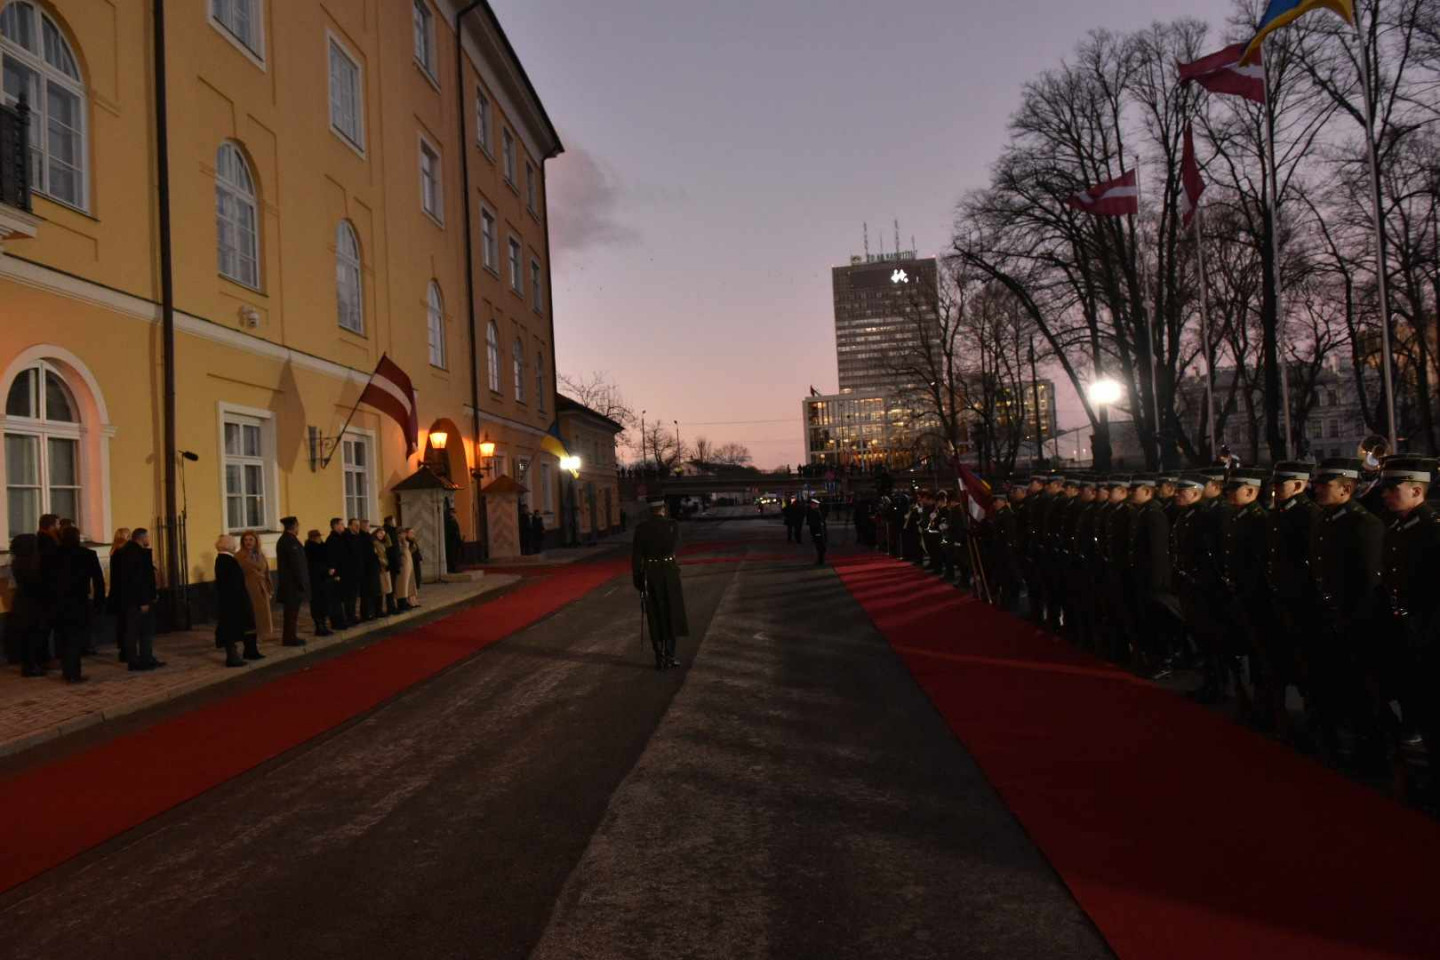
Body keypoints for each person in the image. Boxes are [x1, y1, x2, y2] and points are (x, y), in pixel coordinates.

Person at [1308, 457, 1385, 768]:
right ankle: (1345, 740)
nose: (1316, 489)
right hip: (1327, 618)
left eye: (1324, 484)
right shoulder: (1325, 519)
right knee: (1336, 685)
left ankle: (1373, 751)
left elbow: (1368, 583)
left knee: (1362, 690)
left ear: (1346, 489)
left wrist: (1351, 620)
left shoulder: (1363, 524)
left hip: (1353, 621)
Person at [1377, 456, 1440, 793]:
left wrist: (1426, 632)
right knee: (1417, 705)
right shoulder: (1397, 527)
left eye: (1393, 488)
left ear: (1417, 490)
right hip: (1404, 634)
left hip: (1430, 637)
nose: (1385, 494)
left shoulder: (1433, 530)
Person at [1263, 462, 1318, 737]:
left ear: (1298, 485)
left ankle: (1315, 719)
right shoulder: (1280, 512)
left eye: (1279, 484)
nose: (1274, 488)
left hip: (1301, 600)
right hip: (1281, 597)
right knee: (1282, 659)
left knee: (1307, 664)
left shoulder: (1308, 515)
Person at [633, 499, 688, 670]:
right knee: (672, 613)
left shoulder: (641, 529)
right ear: (663, 509)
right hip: (669, 572)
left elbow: (636, 557)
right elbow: (677, 545)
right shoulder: (672, 525)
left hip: (651, 574)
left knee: (655, 615)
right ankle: (670, 655)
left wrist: (639, 581)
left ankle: (659, 656)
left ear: (650, 511)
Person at [48, 526, 105, 683]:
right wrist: (99, 602)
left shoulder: (53, 555)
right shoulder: (87, 554)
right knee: (75, 637)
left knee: (63, 637)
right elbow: (98, 581)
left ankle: (67, 671)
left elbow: (46, 580)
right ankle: (73, 673)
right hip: (79, 600)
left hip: (59, 601)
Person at [113, 528, 163, 671]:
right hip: (138, 600)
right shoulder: (136, 554)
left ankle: (139, 659)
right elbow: (139, 579)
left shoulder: (125, 552)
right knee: (142, 631)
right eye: (147, 537)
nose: (149, 539)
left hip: (130, 599)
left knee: (133, 631)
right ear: (141, 538)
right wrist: (144, 600)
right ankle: (141, 660)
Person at [213, 535, 254, 667]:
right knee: (230, 629)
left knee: (230, 628)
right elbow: (235, 582)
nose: (235, 546)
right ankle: (232, 657)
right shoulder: (228, 560)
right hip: (232, 600)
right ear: (229, 545)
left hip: (228, 599)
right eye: (234, 544)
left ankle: (233, 655)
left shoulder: (222, 559)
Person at [275, 517, 309, 647]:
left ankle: (291, 636)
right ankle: (289, 638)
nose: (298, 527)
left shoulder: (288, 540)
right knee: (291, 613)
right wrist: (302, 582)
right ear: (294, 526)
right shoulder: (288, 541)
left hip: (291, 584)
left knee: (292, 613)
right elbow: (296, 565)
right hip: (292, 584)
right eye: (297, 525)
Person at [304, 529, 336, 636]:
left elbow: (328, 558)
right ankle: (319, 626)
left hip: (325, 580)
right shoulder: (310, 549)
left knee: (325, 603)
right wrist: (326, 571)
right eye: (317, 537)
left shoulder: (322, 547)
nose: (319, 538)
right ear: (312, 538)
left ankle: (324, 625)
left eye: (319, 536)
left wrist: (331, 569)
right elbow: (313, 566)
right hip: (316, 581)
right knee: (317, 604)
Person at [326, 518, 356, 628]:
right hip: (338, 574)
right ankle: (337, 622)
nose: (344, 526)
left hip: (346, 572)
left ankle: (348, 618)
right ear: (335, 526)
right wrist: (335, 574)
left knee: (347, 597)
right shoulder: (332, 539)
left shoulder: (343, 537)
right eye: (342, 524)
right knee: (336, 599)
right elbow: (332, 558)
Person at [107, 527, 131, 660]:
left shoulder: (114, 551)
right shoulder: (124, 551)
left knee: (121, 622)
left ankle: (123, 648)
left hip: (117, 592)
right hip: (126, 592)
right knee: (128, 622)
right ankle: (127, 650)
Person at [394, 528, 419, 610]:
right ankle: (402, 604)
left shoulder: (404, 541)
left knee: (408, 585)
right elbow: (400, 551)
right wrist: (405, 546)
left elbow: (409, 551)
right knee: (402, 586)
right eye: (403, 534)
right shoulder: (398, 542)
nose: (404, 535)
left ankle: (407, 602)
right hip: (402, 565)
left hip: (408, 564)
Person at [374, 528, 395, 616]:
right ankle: (379, 610)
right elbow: (376, 555)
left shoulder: (381, 542)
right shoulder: (375, 543)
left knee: (386, 589)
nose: (381, 535)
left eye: (383, 534)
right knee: (381, 590)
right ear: (375, 533)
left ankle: (383, 609)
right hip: (381, 567)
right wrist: (384, 562)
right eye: (380, 533)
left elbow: (389, 545)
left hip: (385, 567)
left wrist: (386, 535)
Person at [805, 497, 828, 565]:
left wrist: (817, 533)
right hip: (818, 531)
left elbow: (817, 523)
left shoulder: (816, 512)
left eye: (813, 504)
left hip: (818, 531)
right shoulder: (815, 511)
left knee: (820, 546)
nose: (811, 505)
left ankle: (821, 561)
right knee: (819, 546)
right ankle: (820, 560)